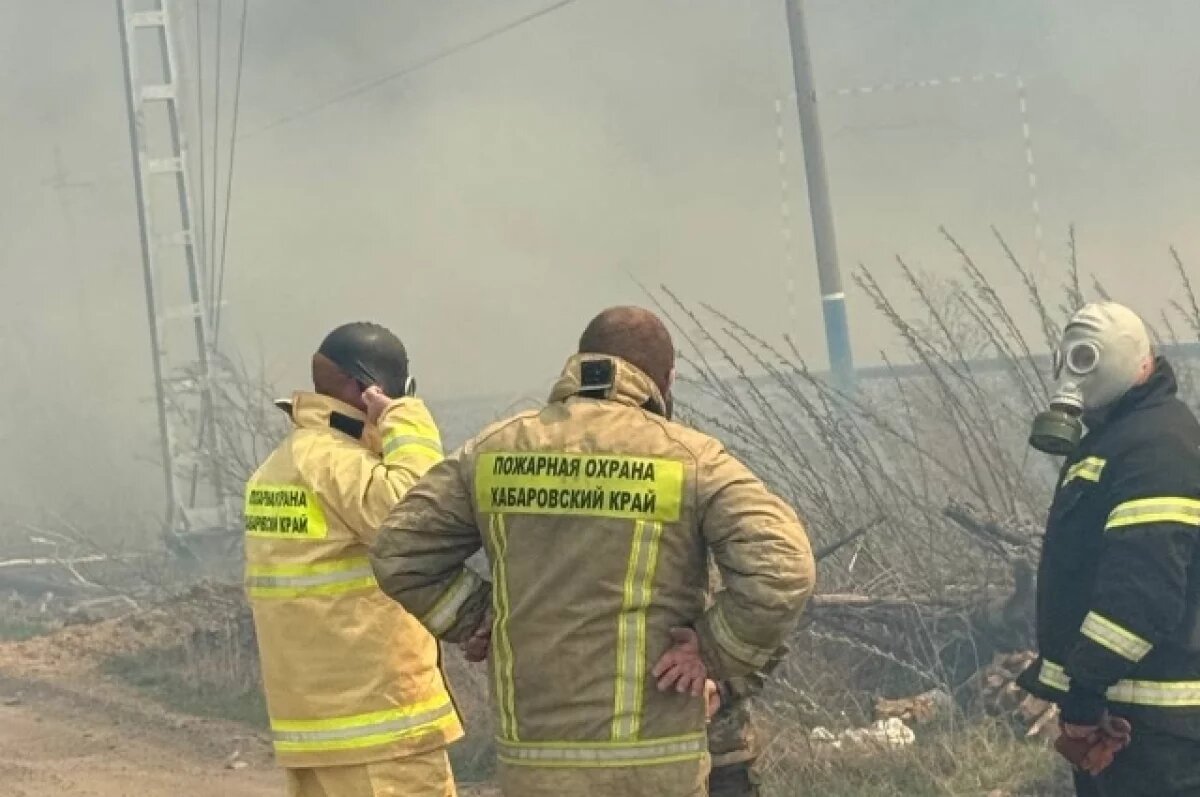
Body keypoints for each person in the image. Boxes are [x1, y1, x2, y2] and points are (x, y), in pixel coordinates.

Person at [369, 306, 816, 797]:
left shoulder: (493, 450)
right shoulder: (690, 459)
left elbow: (398, 549)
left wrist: (477, 614)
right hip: (653, 766)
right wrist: (713, 650)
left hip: (533, 765)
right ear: (666, 380)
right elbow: (783, 568)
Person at [244, 322, 463, 797]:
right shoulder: (333, 460)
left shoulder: (281, 466)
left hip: (319, 732)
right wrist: (407, 419)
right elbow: (419, 518)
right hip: (381, 733)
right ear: (370, 390)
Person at [1019, 302, 1200, 796]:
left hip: (1157, 734)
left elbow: (1140, 599)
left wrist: (1083, 697)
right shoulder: (1119, 442)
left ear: (1142, 364)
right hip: (1126, 720)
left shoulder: (1156, 450)